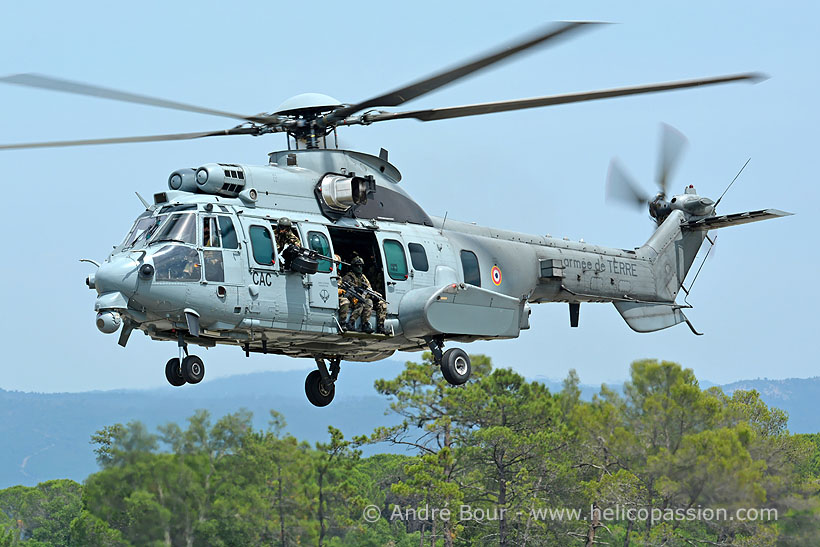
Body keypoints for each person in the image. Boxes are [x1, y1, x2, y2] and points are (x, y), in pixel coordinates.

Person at [339, 256, 374, 333]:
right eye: (357, 265)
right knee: (354, 302)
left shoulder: (363, 278)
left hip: (358, 298)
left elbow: (369, 289)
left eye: (361, 266)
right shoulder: (348, 277)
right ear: (353, 267)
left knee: (368, 302)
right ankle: (347, 322)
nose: (359, 267)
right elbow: (345, 289)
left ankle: (364, 323)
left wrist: (369, 295)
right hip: (349, 298)